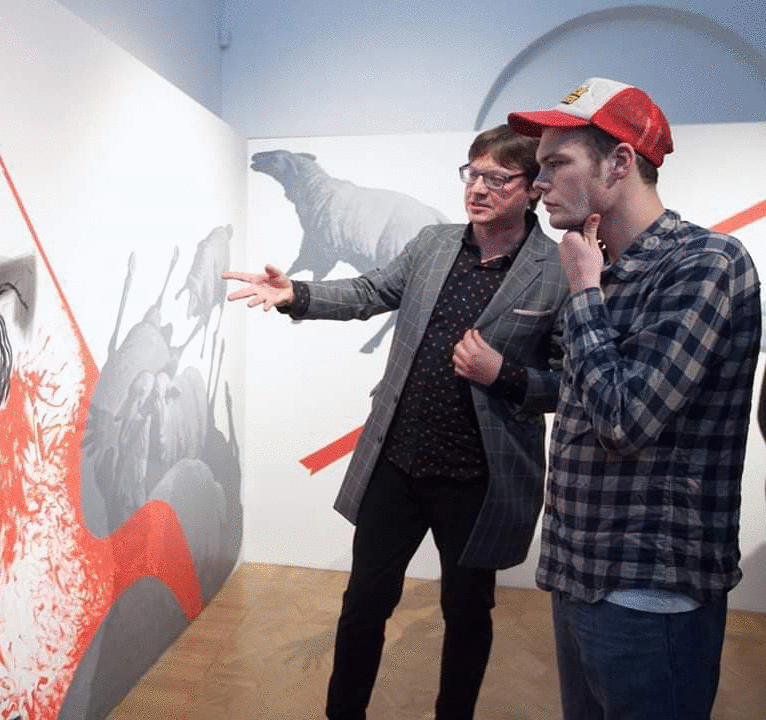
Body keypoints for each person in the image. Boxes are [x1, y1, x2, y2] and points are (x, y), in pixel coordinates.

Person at [224, 125, 568, 720]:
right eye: (472, 174)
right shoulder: (433, 243)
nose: (478, 189)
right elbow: (371, 291)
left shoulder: (558, 270)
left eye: (497, 178)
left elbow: (568, 382)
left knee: (467, 613)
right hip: (398, 462)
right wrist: (297, 294)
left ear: (533, 187)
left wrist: (504, 375)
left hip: (478, 480)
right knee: (363, 603)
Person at [507, 77, 762, 719]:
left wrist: (583, 292)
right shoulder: (597, 268)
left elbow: (624, 421)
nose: (538, 183)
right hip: (581, 576)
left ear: (619, 162)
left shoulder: (705, 262)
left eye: (556, 163)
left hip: (651, 592)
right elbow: (580, 405)